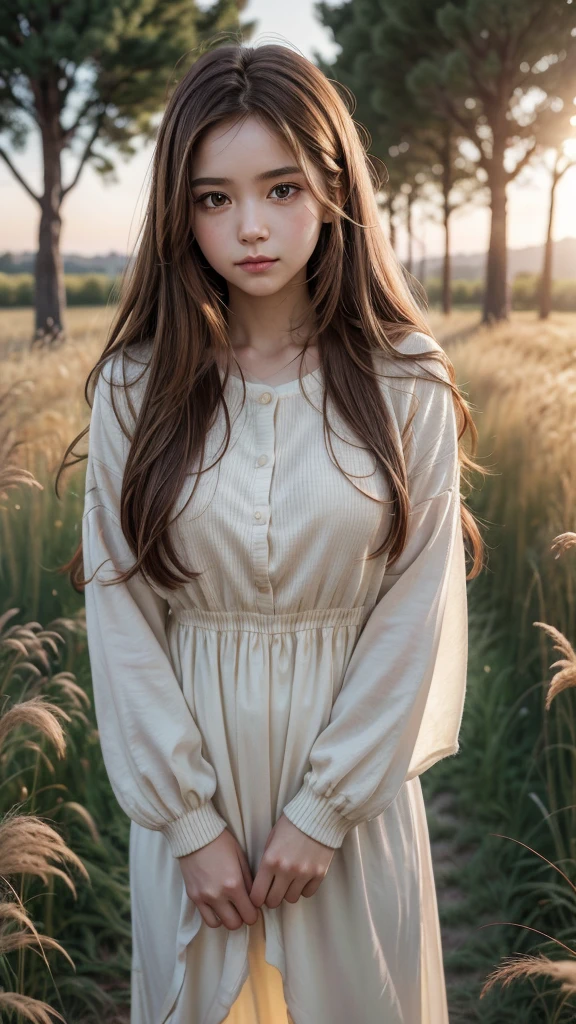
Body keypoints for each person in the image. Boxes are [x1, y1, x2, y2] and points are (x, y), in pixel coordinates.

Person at [65, 41, 485, 1024]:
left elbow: (414, 607)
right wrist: (187, 821)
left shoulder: (407, 378)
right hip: (193, 806)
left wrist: (326, 809)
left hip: (350, 804)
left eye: (282, 187)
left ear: (334, 187)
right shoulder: (138, 385)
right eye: (213, 198)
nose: (250, 226)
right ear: (181, 212)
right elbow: (121, 613)